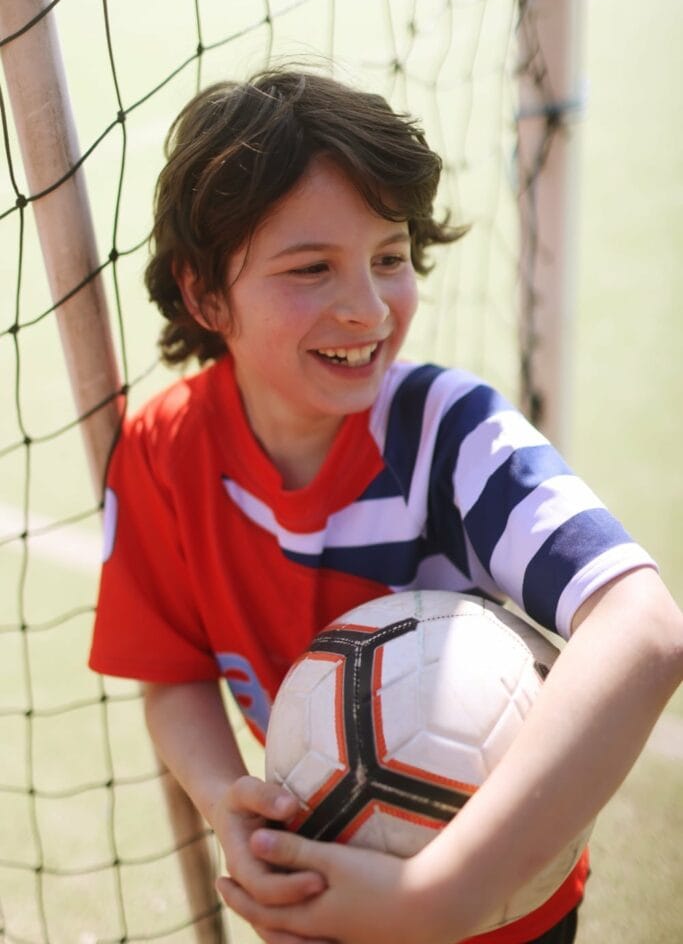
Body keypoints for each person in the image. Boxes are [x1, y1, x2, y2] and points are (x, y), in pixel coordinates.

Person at [89, 68, 683, 944]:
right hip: (317, 895)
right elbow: (172, 675)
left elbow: (645, 629)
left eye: (389, 259)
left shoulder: (448, 434)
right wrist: (226, 802)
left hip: (501, 906)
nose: (366, 308)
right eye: (310, 268)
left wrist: (445, 893)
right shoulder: (162, 452)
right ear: (205, 294)